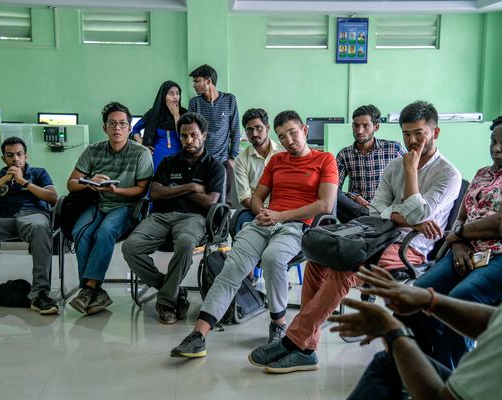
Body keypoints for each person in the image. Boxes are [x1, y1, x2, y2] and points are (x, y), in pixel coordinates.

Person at [329, 147, 502, 400]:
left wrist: (394, 332)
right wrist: (431, 301)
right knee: (389, 366)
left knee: (390, 361)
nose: (495, 215)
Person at [247, 100, 461, 374]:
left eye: (419, 133)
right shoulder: (395, 164)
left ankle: (294, 340)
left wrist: (411, 177)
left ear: (435, 133)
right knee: (317, 263)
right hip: (376, 234)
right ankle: (308, 349)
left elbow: (419, 215)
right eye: (406, 134)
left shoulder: (447, 174)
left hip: (410, 248)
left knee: (344, 269)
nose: (412, 141)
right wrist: (403, 217)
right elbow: (376, 208)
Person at [170, 110, 338, 358]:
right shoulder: (277, 161)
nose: (289, 140)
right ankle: (199, 334)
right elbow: (257, 196)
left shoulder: (325, 160)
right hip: (266, 222)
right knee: (232, 267)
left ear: (304, 130)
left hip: (297, 225)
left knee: (272, 258)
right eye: (283, 136)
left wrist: (280, 216)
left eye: (293, 133)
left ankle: (278, 324)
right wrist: (263, 213)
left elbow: (325, 204)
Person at [398, 114, 502, 369]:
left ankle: (457, 382)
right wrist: (457, 244)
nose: (497, 148)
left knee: (459, 300)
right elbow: (461, 216)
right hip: (466, 250)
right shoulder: (483, 174)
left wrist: (460, 234)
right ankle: (427, 370)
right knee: (413, 299)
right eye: (493, 141)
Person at [122, 112, 225, 324]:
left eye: (194, 135)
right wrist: (191, 187)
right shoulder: (168, 162)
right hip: (160, 216)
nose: (189, 140)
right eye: (184, 136)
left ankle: (167, 302)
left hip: (193, 218)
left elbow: (209, 202)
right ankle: (172, 289)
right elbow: (156, 193)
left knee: (186, 243)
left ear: (204, 135)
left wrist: (173, 188)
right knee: (130, 247)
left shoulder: (214, 166)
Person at [66, 102, 153, 315]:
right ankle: (96, 291)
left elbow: (142, 190)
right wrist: (89, 181)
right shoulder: (93, 150)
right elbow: (71, 183)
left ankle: (87, 289)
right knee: (81, 232)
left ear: (130, 128)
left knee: (105, 232)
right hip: (97, 203)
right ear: (104, 127)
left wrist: (117, 191)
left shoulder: (141, 153)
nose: (117, 128)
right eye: (112, 124)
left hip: (126, 205)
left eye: (123, 124)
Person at [0, 136, 59, 314]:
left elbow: (53, 198)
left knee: (40, 227)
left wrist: (24, 182)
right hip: (3, 221)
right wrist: (2, 180)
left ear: (26, 156)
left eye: (19, 154)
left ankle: (40, 295)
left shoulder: (38, 173)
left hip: (33, 217)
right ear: (3, 158)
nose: (15, 159)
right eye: (10, 155)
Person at [336, 104, 405, 223]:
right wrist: (354, 196)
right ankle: (372, 218)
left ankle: (375, 218)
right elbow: (335, 188)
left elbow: (413, 176)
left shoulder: (394, 148)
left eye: (366, 126)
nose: (359, 131)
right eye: (356, 125)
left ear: (376, 127)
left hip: (387, 209)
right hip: (356, 211)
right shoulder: (344, 154)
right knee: (331, 194)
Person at [188, 64, 240, 207]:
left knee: (224, 202)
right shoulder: (195, 103)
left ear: (208, 81)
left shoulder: (230, 100)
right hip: (201, 161)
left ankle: (223, 228)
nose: (194, 85)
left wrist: (232, 157)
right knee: (202, 202)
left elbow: (235, 129)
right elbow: (189, 133)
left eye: (197, 81)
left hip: (223, 161)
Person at [234, 108, 284, 209]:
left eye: (258, 128)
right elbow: (244, 198)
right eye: (250, 129)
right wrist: (263, 214)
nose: (255, 133)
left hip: (283, 208)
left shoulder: (284, 151)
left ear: (267, 127)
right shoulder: (241, 160)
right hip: (254, 210)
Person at [132, 80, 188, 171]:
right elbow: (135, 129)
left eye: (177, 93)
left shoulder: (184, 113)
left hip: (180, 155)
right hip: (157, 156)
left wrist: (176, 114)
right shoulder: (154, 113)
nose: (175, 97)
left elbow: (183, 134)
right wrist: (144, 145)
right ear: (163, 96)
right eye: (171, 93)